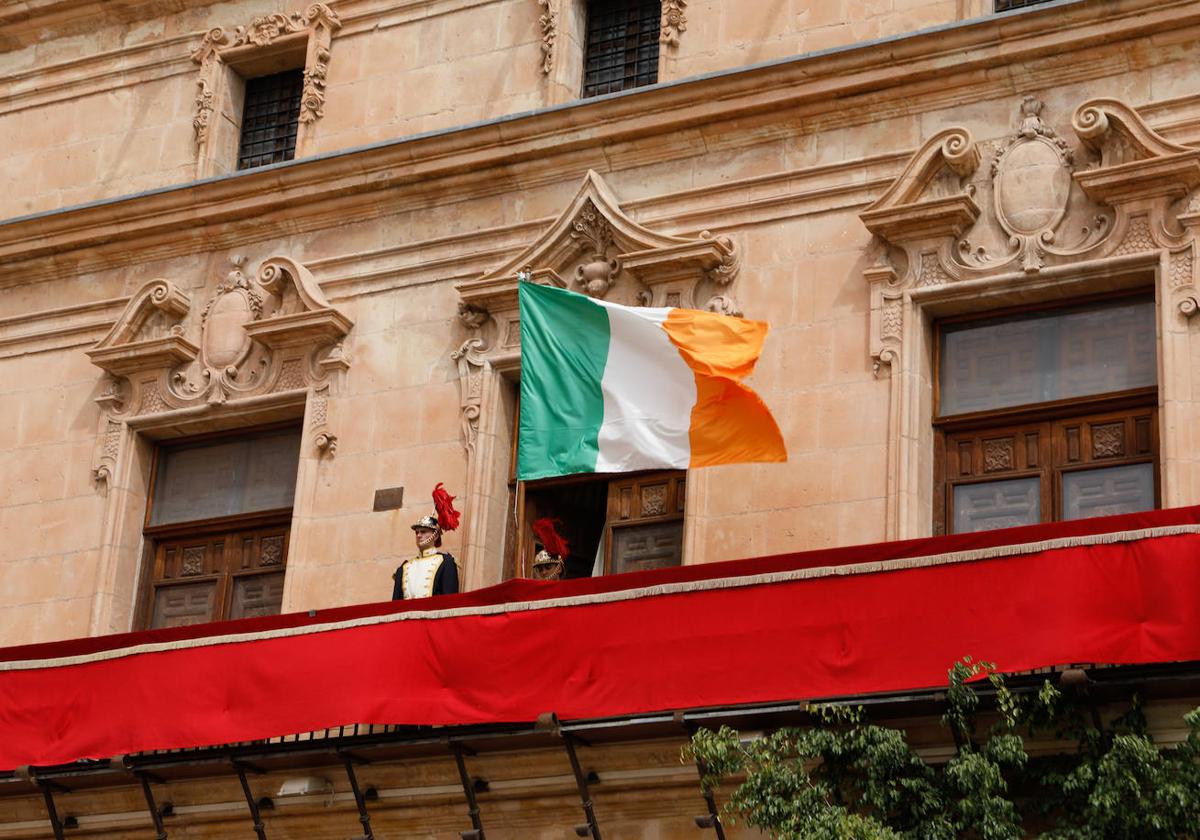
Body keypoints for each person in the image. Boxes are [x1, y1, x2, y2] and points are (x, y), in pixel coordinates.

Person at [391, 514, 460, 599]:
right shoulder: (404, 567)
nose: (418, 535)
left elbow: (450, 600)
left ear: (435, 536)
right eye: (417, 532)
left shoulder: (446, 562)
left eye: (423, 531)